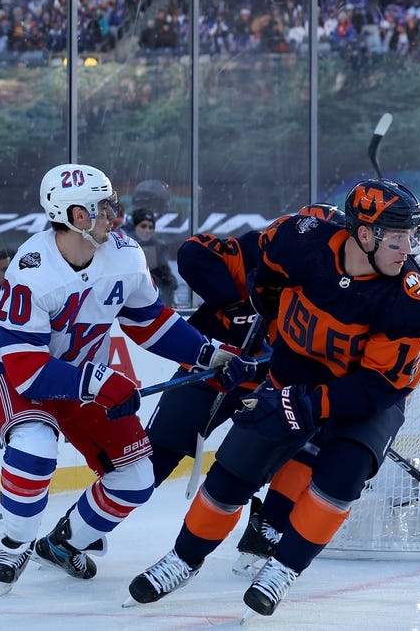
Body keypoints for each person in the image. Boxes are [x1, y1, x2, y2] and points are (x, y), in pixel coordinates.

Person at [127, 179, 420, 617]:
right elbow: (263, 283)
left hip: (365, 394)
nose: (408, 248)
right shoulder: (300, 238)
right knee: (234, 470)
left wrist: (313, 403)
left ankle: (284, 567)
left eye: (412, 236)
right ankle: (183, 558)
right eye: (399, 237)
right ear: (363, 234)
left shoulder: (409, 296)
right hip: (295, 373)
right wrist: (280, 353)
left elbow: (382, 384)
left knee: (342, 473)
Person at [0, 163, 257, 598]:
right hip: (18, 374)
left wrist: (207, 353)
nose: (114, 214)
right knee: (33, 448)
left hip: (84, 376)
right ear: (75, 217)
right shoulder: (31, 271)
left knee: (136, 478)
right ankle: (14, 545)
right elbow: (29, 372)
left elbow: (148, 321)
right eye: (102, 207)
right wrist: (99, 381)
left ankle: (64, 542)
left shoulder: (125, 255)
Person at [145, 203, 346, 576]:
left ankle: (264, 528)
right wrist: (240, 303)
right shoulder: (259, 249)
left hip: (268, 387)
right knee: (151, 463)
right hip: (210, 372)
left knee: (303, 446)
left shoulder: (334, 285)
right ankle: (79, 531)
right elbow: (192, 254)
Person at [125, 208, 178, 305]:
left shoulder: (158, 246)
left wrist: (167, 280)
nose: (147, 230)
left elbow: (165, 272)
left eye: (151, 227)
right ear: (134, 226)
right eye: (143, 226)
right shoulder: (125, 246)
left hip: (153, 299)